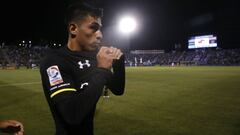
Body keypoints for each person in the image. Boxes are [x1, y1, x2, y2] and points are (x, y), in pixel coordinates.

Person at [40, 2, 125, 135]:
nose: (100, 35)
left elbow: (118, 89)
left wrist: (119, 64)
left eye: (100, 29)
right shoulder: (54, 61)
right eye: (93, 28)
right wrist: (102, 70)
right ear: (73, 29)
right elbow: (72, 115)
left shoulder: (94, 58)